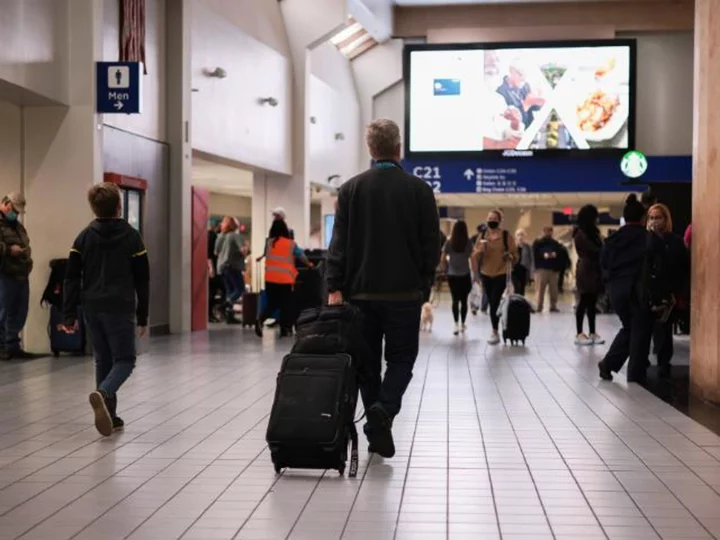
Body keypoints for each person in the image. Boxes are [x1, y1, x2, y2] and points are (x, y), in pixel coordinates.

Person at [326, 119, 440, 459]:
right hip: (404, 295)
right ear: (398, 148)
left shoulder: (351, 190)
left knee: (367, 364)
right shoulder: (419, 190)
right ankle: (384, 412)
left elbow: (339, 245)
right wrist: (424, 284)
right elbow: (431, 246)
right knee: (402, 358)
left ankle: (378, 419)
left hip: (359, 295)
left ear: (370, 149)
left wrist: (334, 286)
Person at [61, 183, 149, 436]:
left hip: (91, 306)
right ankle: (104, 392)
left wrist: (69, 313)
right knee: (125, 360)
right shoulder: (132, 237)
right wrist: (143, 315)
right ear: (119, 206)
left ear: (93, 207)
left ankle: (110, 415)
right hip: (119, 307)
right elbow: (143, 279)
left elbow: (71, 277)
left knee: (103, 359)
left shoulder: (83, 237)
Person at [598, 194, 661, 384]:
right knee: (640, 331)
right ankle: (635, 375)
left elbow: (604, 265)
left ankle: (608, 364)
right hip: (639, 291)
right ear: (643, 219)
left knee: (630, 328)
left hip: (617, 292)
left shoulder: (612, 240)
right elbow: (658, 264)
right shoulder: (649, 238)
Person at [647, 203, 689, 377]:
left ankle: (664, 363)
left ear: (666, 219)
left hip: (667, 294)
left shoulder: (675, 241)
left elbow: (681, 267)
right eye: (652, 217)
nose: (655, 221)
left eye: (659, 217)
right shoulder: (644, 240)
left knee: (664, 330)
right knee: (645, 329)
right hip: (647, 292)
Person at [255, 219, 311, 338]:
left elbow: (266, 255)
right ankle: (285, 328)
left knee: (272, 303)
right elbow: (301, 256)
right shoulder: (290, 244)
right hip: (285, 279)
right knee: (286, 304)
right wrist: (309, 264)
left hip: (270, 279)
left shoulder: (269, 243)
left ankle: (260, 318)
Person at [472, 209, 516, 344]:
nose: (491, 220)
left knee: (495, 300)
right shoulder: (482, 235)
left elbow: (514, 253)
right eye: (489, 218)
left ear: (499, 220)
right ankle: (497, 326)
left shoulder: (506, 235)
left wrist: (510, 256)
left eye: (494, 218)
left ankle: (495, 331)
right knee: (491, 302)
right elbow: (475, 255)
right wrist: (481, 250)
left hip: (501, 272)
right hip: (486, 273)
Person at [0, 192, 33, 361]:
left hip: (21, 274)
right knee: (2, 311)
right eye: (14, 209)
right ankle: (1, 347)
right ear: (6, 204)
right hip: (5, 274)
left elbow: (25, 243)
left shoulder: (17, 226)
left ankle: (13, 345)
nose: (16, 214)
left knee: (19, 312)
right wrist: (8, 250)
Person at [573, 205, 605, 346]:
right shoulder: (580, 233)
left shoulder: (593, 232)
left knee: (592, 301)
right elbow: (593, 249)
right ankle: (579, 333)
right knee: (584, 300)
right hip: (586, 270)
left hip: (594, 268)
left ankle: (592, 332)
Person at [441, 220, 473, 335]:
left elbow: (443, 257)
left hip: (452, 275)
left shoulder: (449, 242)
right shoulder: (468, 242)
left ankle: (455, 324)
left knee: (455, 300)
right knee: (464, 301)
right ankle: (463, 324)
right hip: (465, 274)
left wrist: (444, 270)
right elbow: (472, 256)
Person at [215, 217, 247, 324]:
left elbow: (216, 252)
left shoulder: (220, 236)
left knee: (230, 291)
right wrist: (246, 248)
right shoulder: (235, 236)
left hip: (222, 267)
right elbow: (243, 250)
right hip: (233, 266)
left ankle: (229, 317)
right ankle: (222, 306)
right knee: (240, 289)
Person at [533, 226, 564, 312]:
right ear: (542, 232)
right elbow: (535, 254)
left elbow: (559, 254)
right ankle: (539, 306)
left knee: (553, 290)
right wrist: (543, 255)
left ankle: (553, 306)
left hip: (553, 270)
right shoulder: (537, 242)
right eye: (546, 231)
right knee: (540, 289)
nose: (548, 233)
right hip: (541, 269)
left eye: (550, 231)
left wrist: (555, 255)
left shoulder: (555, 243)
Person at [512, 228, 533, 296]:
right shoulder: (512, 246)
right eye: (518, 234)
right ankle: (516, 302)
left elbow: (531, 260)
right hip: (513, 270)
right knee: (516, 287)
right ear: (515, 236)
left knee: (522, 289)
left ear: (525, 236)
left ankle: (520, 303)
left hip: (524, 270)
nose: (520, 236)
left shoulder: (528, 247)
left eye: (522, 234)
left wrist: (531, 274)